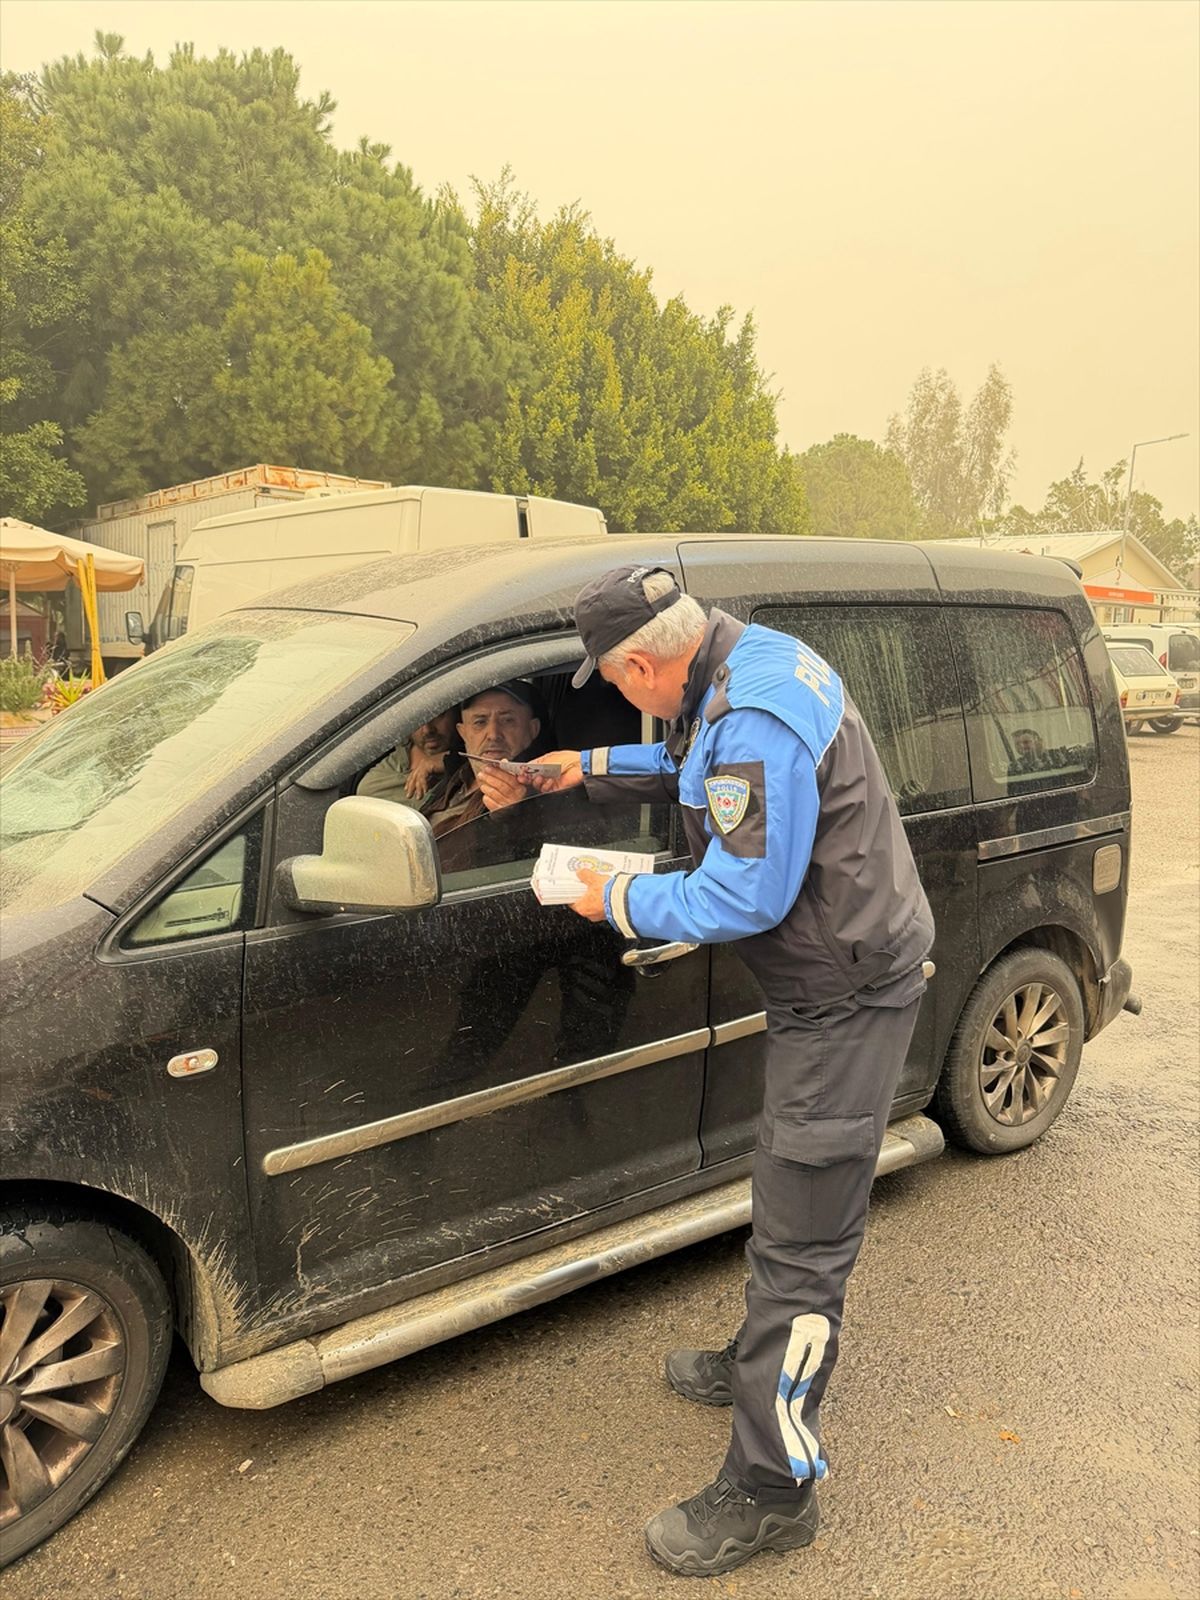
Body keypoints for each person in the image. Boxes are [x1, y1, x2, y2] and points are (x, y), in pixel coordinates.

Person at [478, 565, 934, 1579]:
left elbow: (743, 896)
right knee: (785, 1188)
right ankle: (754, 1363)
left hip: (844, 999)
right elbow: (688, 763)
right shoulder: (739, 664)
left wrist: (612, 899)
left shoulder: (751, 715)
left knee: (803, 1246)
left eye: (614, 680)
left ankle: (775, 1490)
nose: (620, 694)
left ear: (645, 663)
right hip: (833, 978)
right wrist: (572, 768)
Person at [426, 680, 547, 840]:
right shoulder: (459, 775)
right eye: (480, 722)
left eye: (507, 720)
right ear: (463, 732)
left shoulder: (541, 791)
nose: (493, 734)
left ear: (533, 729)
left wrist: (510, 817)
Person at [357, 710, 461, 813]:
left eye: (437, 715)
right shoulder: (376, 781)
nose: (427, 730)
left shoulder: (466, 766)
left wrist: (453, 760)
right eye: (416, 718)